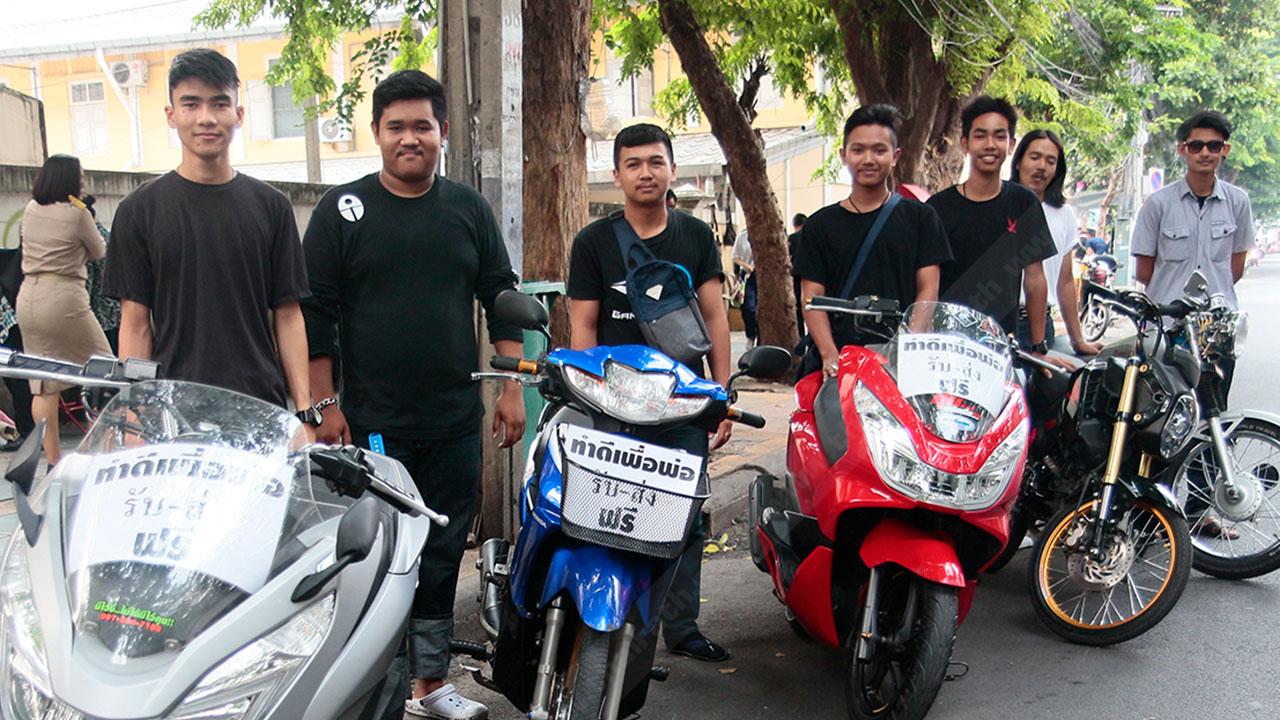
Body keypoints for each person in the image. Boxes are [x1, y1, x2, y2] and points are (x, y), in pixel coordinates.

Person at [301, 69, 524, 720]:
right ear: (376, 132)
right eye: (395, 126)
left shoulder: (468, 210)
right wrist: (324, 406)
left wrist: (510, 386)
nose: (409, 138)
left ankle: (429, 685)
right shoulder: (342, 211)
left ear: (442, 132)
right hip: (371, 426)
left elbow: (501, 296)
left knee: (442, 555)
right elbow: (316, 315)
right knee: (379, 562)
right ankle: (380, 689)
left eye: (422, 126)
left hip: (453, 421)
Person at [567, 122, 733, 662]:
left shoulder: (695, 237)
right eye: (634, 164)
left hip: (684, 404)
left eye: (656, 162)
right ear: (617, 174)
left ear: (672, 171)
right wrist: (588, 397)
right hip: (614, 406)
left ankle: (681, 628)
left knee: (686, 517)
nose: (646, 173)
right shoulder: (593, 243)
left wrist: (720, 394)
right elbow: (583, 327)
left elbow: (715, 318)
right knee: (606, 513)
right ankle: (607, 623)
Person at [102, 48, 313, 420]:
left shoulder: (272, 207)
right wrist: (134, 413)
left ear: (239, 114)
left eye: (219, 104)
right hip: (173, 410)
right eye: (191, 104)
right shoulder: (138, 211)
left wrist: (305, 412)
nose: (206, 118)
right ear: (171, 115)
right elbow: (135, 324)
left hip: (260, 408)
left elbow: (288, 315)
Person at [794, 105, 952, 377]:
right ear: (844, 155)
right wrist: (830, 355)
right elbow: (811, 298)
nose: (868, 159)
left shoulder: (921, 218)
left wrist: (907, 351)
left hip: (901, 367)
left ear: (895, 156)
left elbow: (928, 289)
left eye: (879, 150)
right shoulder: (819, 225)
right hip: (838, 367)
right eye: (858, 150)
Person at [927, 96, 1069, 370]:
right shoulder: (937, 208)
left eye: (999, 136)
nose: (990, 144)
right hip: (945, 348)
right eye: (980, 136)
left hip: (1001, 350)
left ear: (1011, 145)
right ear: (965, 144)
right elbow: (927, 285)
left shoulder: (1023, 203)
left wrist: (1038, 348)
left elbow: (1035, 278)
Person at [15, 154, 112, 464]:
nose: (83, 182)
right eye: (80, 177)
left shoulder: (31, 208)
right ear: (69, 180)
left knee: (44, 383)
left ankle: (54, 461)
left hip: (28, 297)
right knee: (107, 372)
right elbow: (99, 251)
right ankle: (98, 454)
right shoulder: (77, 214)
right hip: (63, 297)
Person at [1133, 110, 1254, 326]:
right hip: (1165, 323)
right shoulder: (1157, 204)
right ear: (1182, 149)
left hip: (1217, 326)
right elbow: (1144, 272)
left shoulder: (1238, 202)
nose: (1205, 153)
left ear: (1224, 150)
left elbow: (1236, 269)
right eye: (1196, 146)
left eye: (1213, 146)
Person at [1010, 130, 1102, 355]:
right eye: (1035, 157)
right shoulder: (1000, 204)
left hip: (1041, 327)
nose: (1042, 166)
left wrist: (1078, 340)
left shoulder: (1064, 214)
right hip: (1000, 325)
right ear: (1019, 162)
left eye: (1051, 161)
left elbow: (1066, 282)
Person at [732, 228, 758, 346]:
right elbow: (735, 256)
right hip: (748, 275)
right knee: (748, 307)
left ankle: (761, 338)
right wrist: (745, 265)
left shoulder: (766, 234)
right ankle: (751, 334)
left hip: (765, 275)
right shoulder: (742, 237)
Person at [788, 213, 807, 334]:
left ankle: (800, 335)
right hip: (812, 277)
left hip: (796, 277)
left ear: (795, 225)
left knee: (798, 310)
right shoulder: (812, 237)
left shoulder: (791, 239)